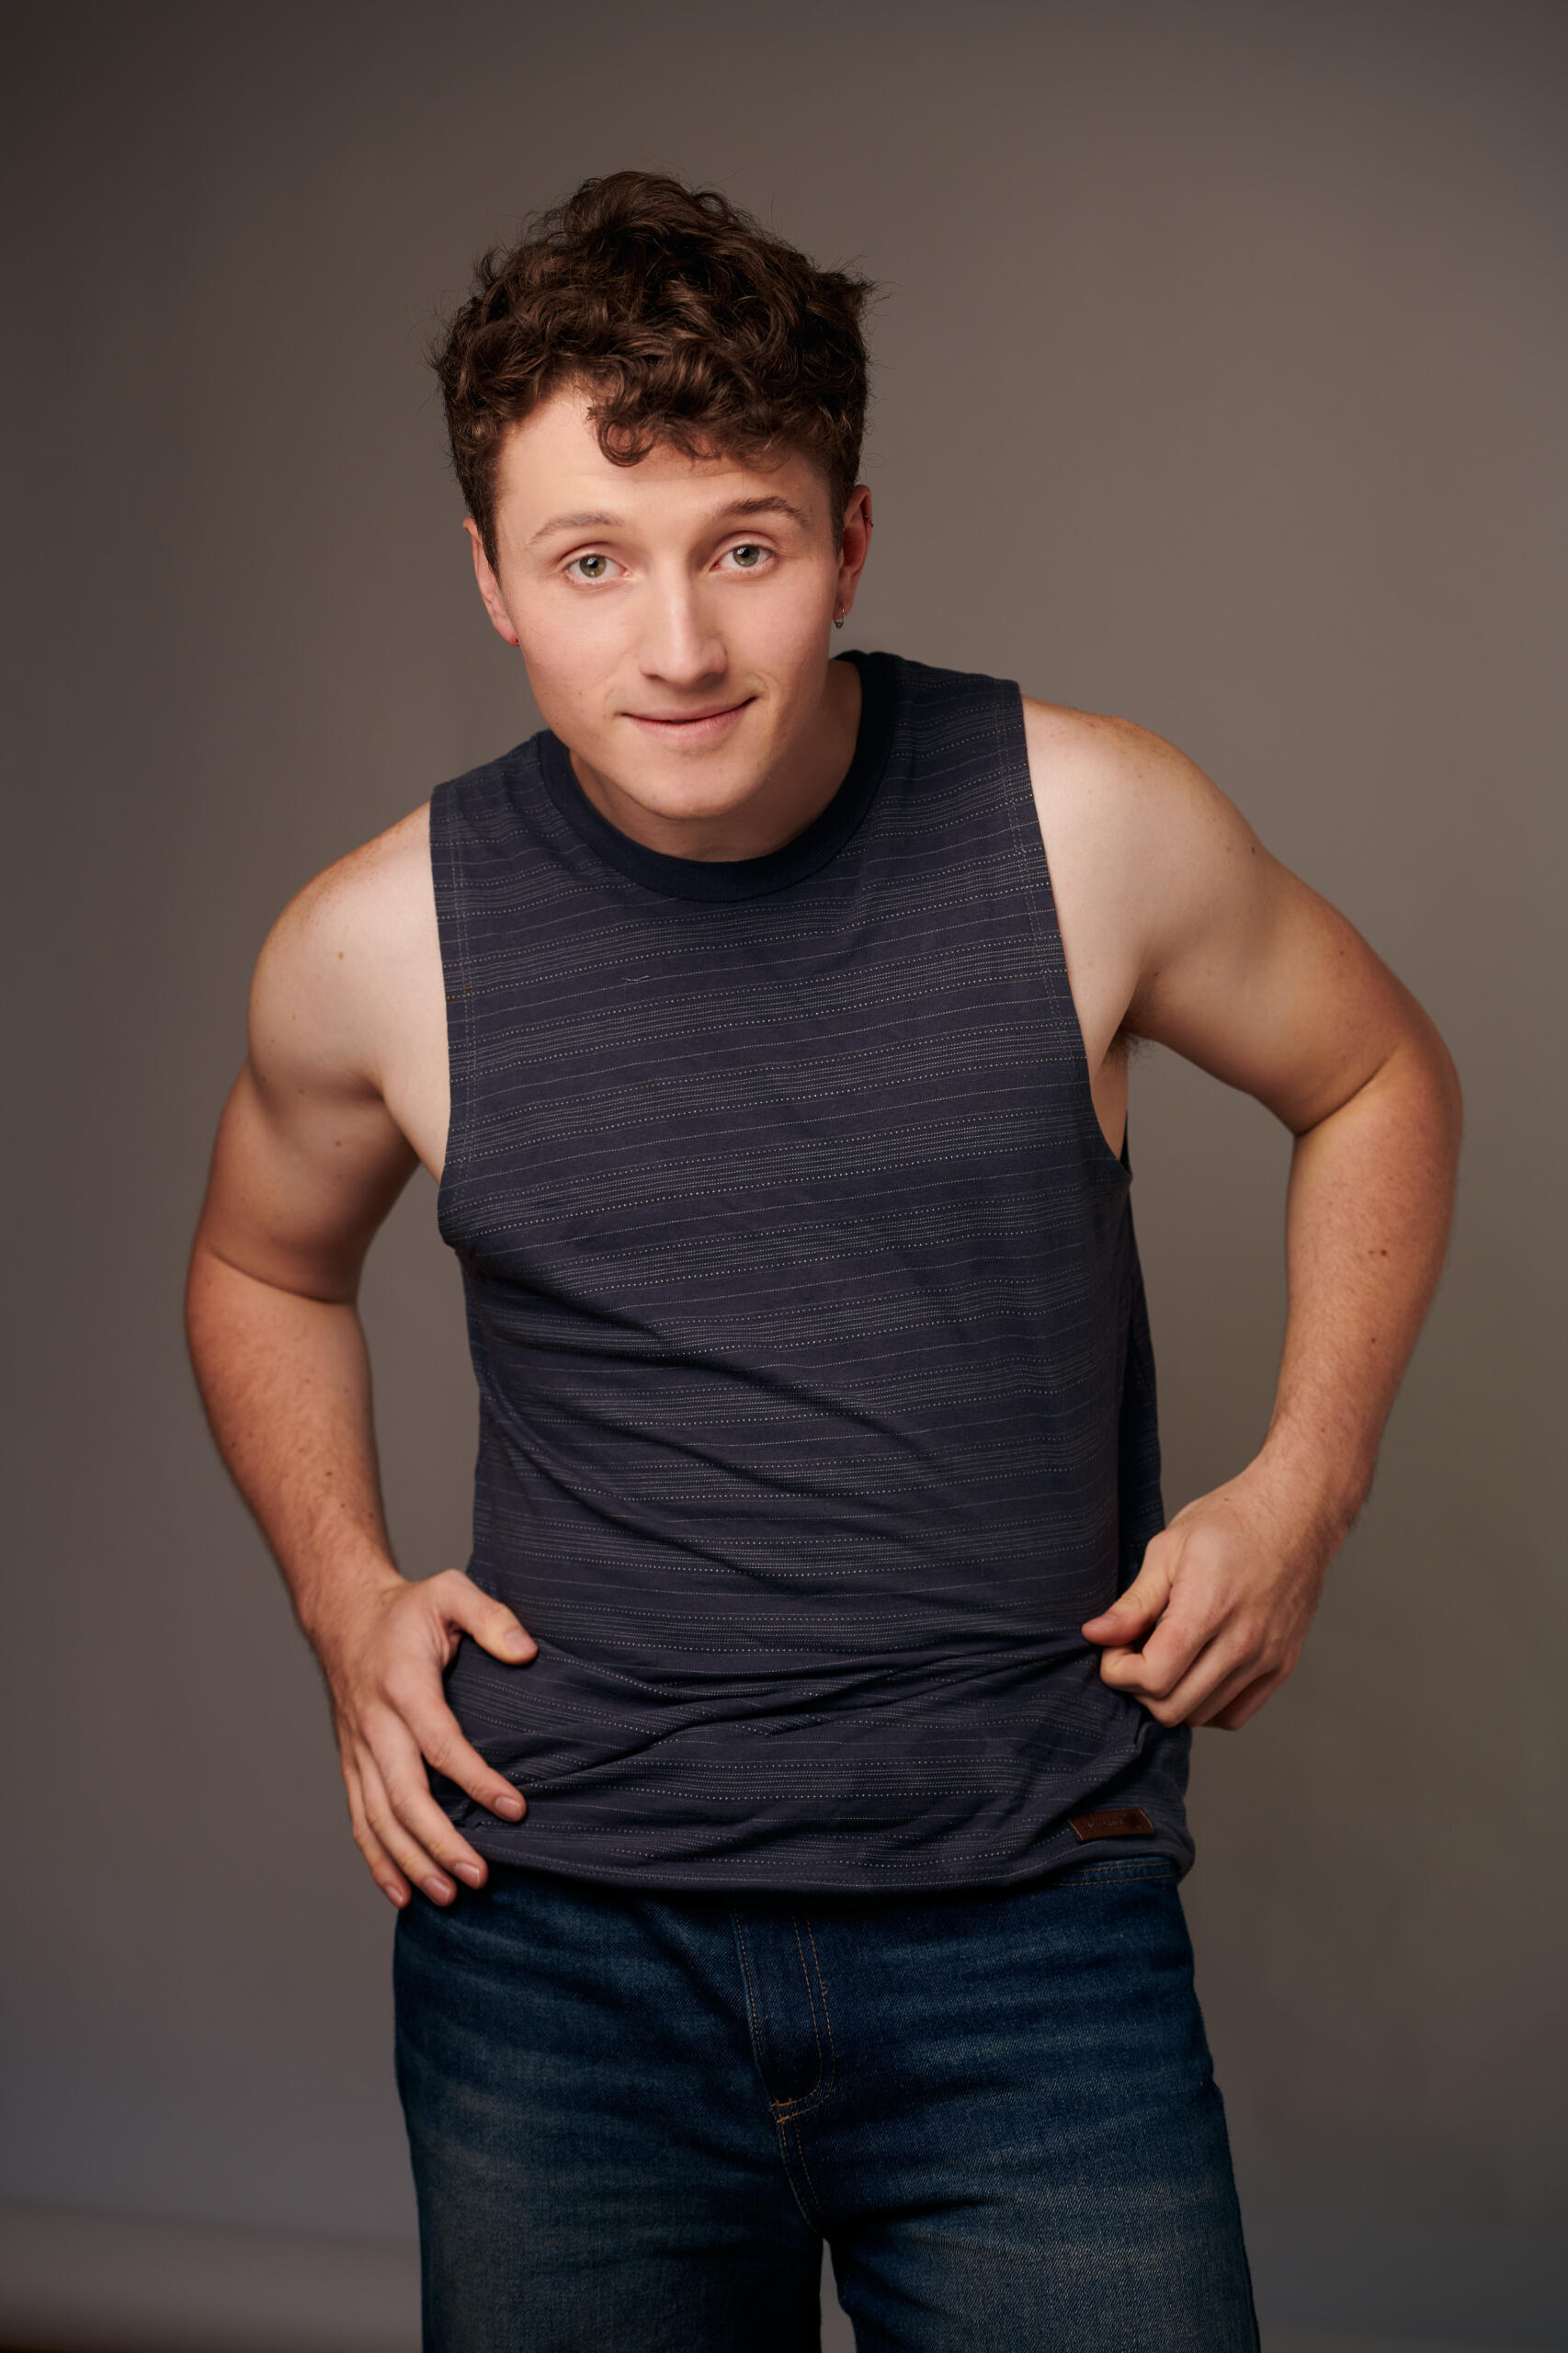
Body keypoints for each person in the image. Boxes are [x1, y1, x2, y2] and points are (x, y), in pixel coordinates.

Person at [186, 170, 1461, 2352]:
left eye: (744, 549)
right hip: (557, 1941)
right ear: (489, 576)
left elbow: (1375, 1075)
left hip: (1025, 1925)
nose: (677, 646)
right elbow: (261, 1268)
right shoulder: (375, 942)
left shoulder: (1085, 823)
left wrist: (1305, 1477)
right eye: (592, 560)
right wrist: (341, 1592)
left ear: (849, 543)